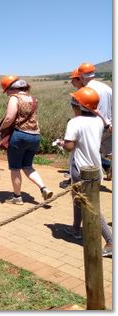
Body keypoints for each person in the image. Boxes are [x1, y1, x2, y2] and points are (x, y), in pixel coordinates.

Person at [56, 87, 112, 257]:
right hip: (95, 167)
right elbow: (108, 125)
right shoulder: (98, 121)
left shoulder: (74, 123)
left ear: (78, 106)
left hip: (80, 169)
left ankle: (111, 240)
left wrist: (62, 143)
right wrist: (97, 111)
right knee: (79, 199)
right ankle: (75, 229)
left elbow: (70, 146)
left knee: (90, 205)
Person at [0, 75, 53, 205]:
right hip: (35, 136)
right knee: (28, 166)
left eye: (7, 90)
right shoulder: (33, 99)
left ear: (12, 89)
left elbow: (9, 118)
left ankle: (17, 197)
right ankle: (43, 188)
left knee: (15, 168)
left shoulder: (14, 98)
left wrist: (1, 128)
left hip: (20, 136)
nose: (7, 94)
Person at [77, 62, 113, 180]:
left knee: (85, 153)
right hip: (109, 126)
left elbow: (85, 112)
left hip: (94, 127)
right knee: (111, 153)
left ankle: (87, 181)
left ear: (81, 76)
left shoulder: (86, 91)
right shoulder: (107, 88)